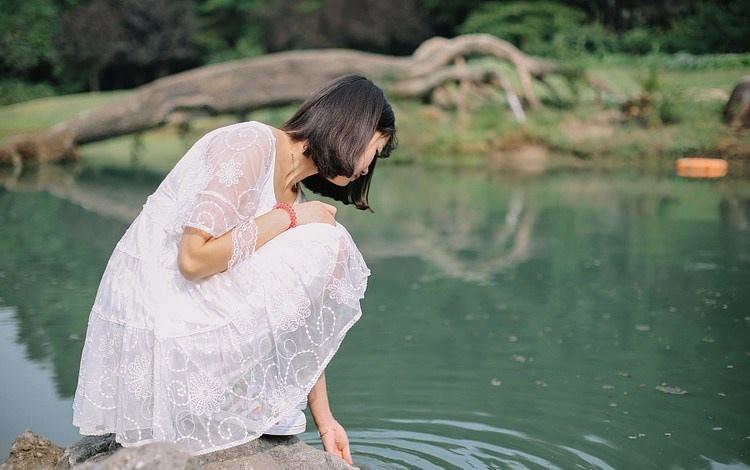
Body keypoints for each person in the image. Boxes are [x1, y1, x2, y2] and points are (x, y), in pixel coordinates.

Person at [71, 74, 398, 464]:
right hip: (162, 319)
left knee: (325, 237)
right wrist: (292, 216)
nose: (367, 169)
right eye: (374, 151)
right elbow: (192, 260)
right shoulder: (250, 144)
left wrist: (325, 421)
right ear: (352, 129)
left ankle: (257, 408)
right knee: (329, 239)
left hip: (197, 318)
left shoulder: (297, 196)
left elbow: (302, 322)